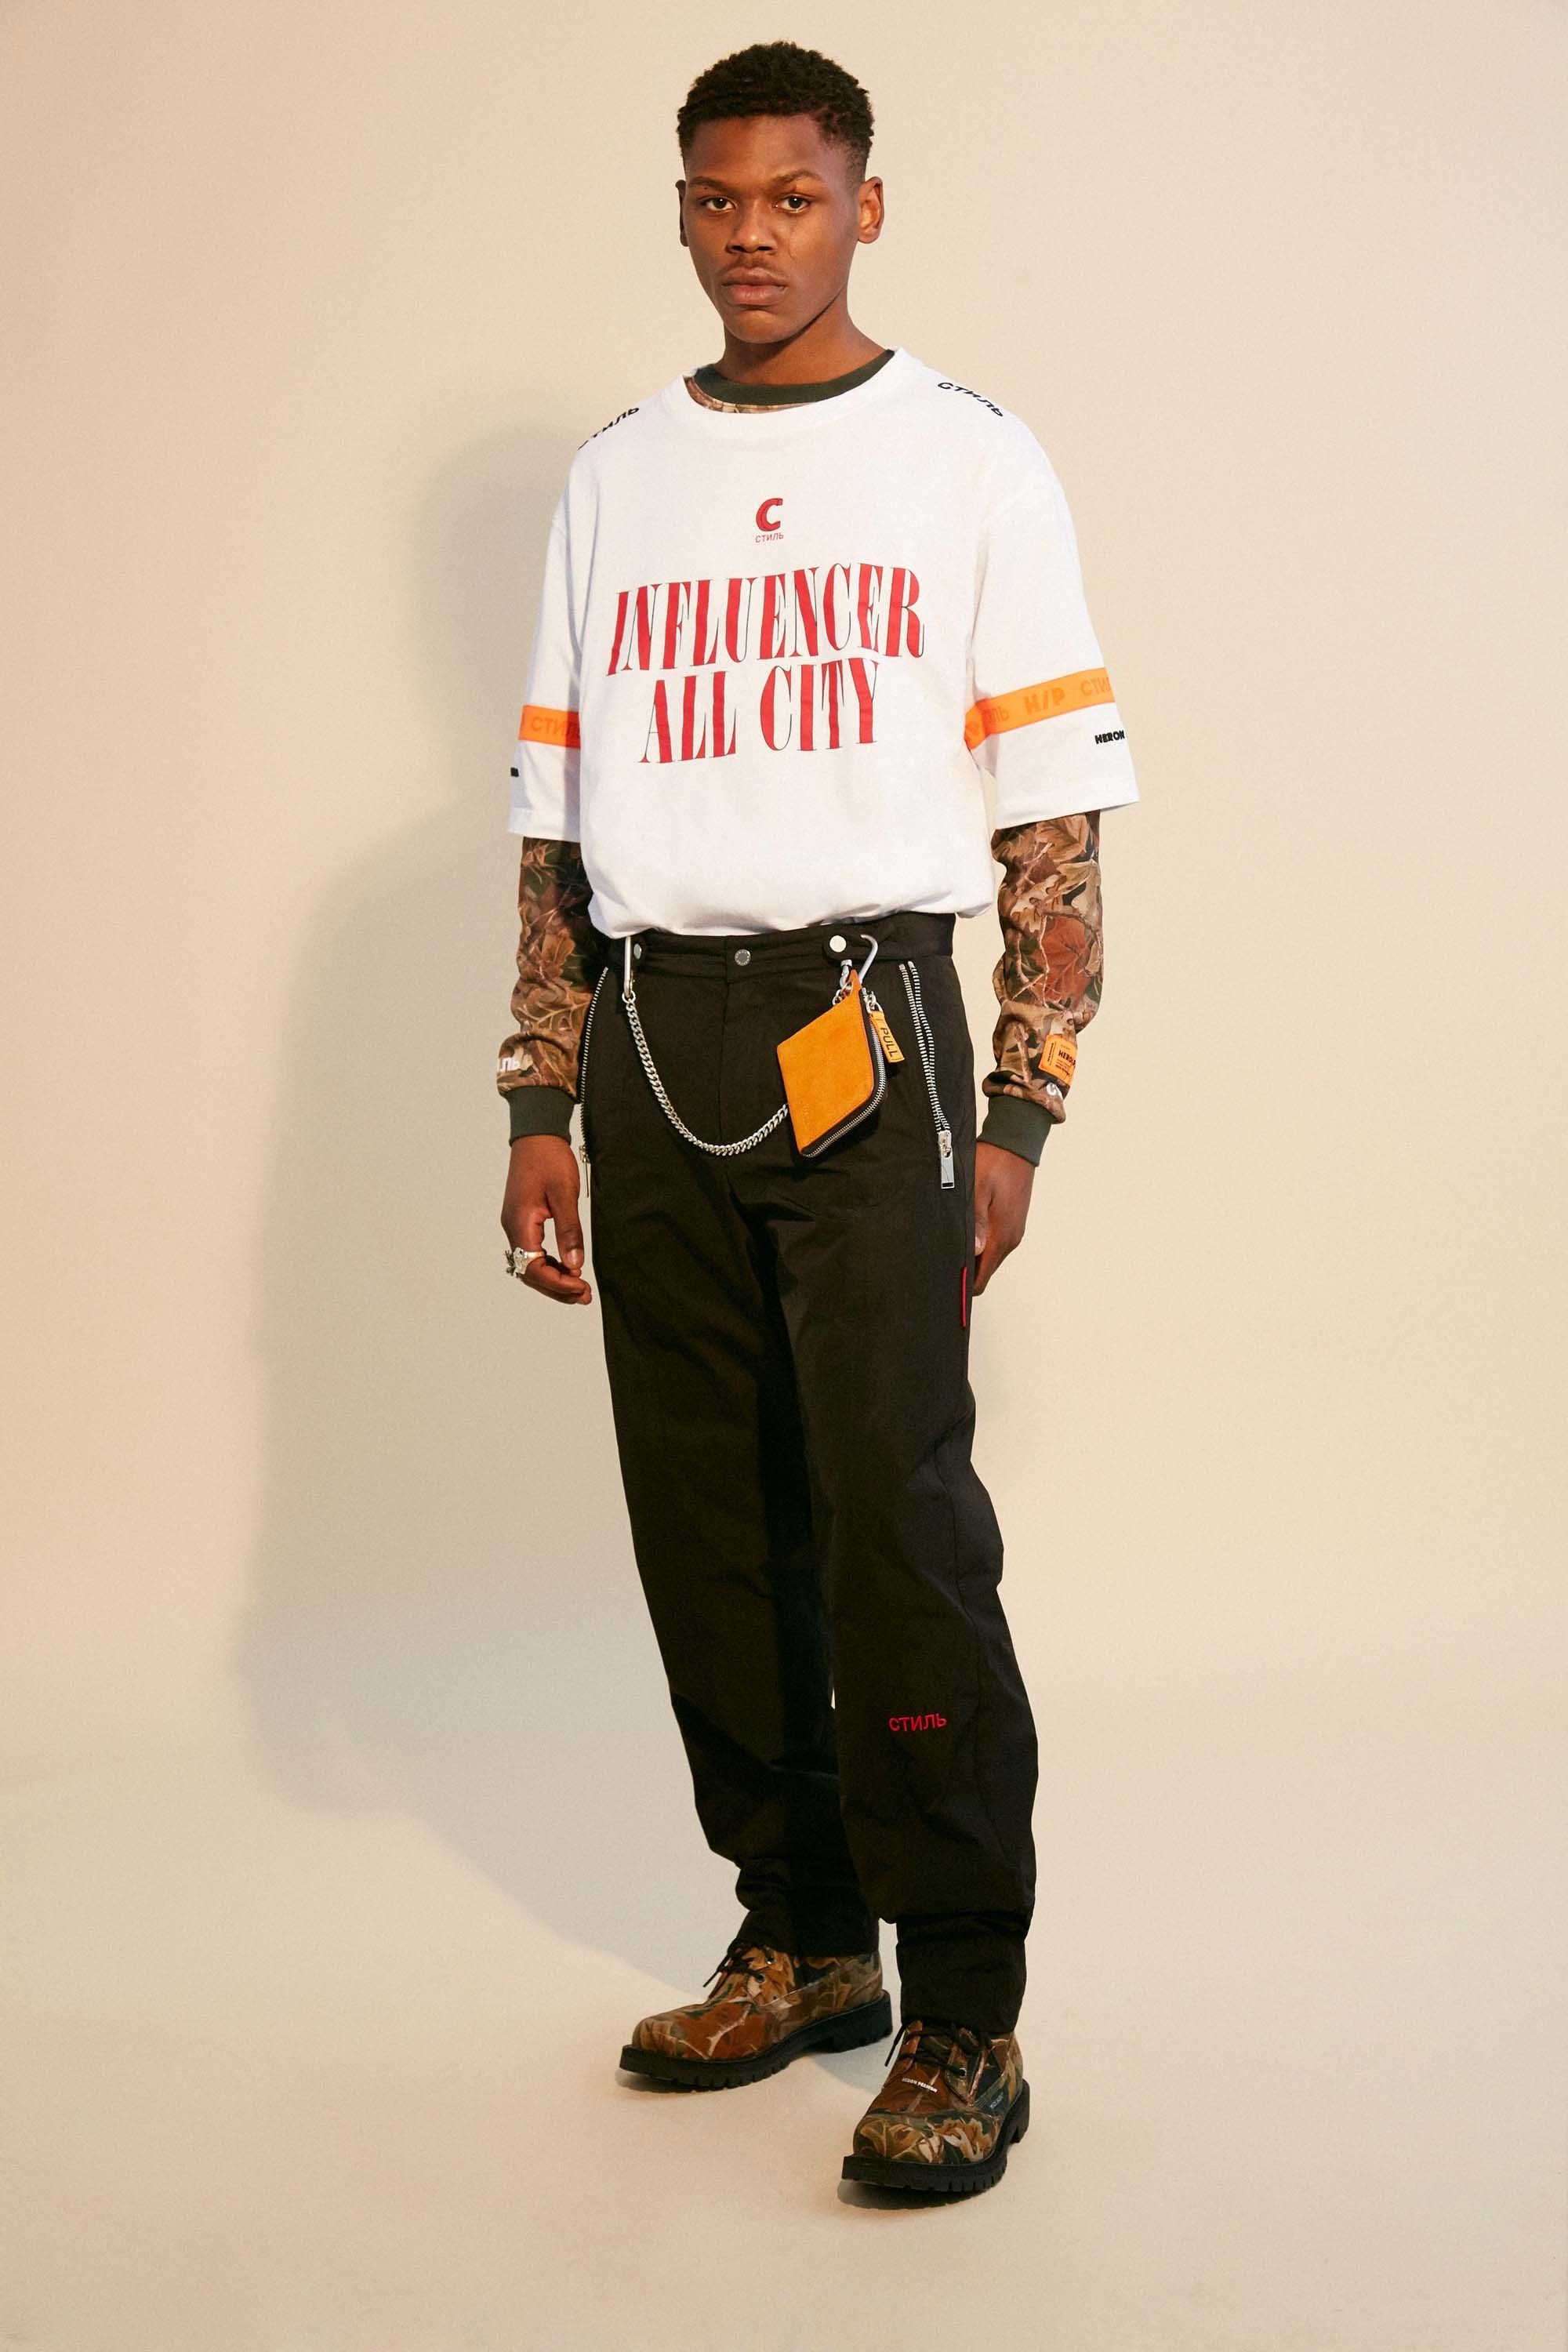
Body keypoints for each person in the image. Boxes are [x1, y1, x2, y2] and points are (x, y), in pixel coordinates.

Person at [495, 40, 1138, 2198]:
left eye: (791, 197)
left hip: (868, 1025)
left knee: (894, 1519)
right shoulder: (616, 478)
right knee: (708, 1513)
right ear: (679, 208)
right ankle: (801, 1932)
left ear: (867, 205)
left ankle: (965, 2010)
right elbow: (556, 821)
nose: (749, 236)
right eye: (715, 198)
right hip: (654, 1035)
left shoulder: (966, 457)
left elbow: (1050, 816)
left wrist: (1025, 1105)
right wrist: (538, 1089)